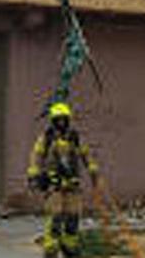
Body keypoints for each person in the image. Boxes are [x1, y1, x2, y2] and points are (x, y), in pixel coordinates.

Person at [28, 101, 99, 258]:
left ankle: (70, 246)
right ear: (53, 121)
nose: (61, 122)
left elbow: (85, 154)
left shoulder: (75, 137)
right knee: (56, 215)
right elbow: (36, 155)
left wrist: (92, 168)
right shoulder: (46, 138)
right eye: (58, 119)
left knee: (73, 216)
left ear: (68, 119)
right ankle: (51, 247)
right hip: (54, 185)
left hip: (73, 184)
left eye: (64, 119)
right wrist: (33, 173)